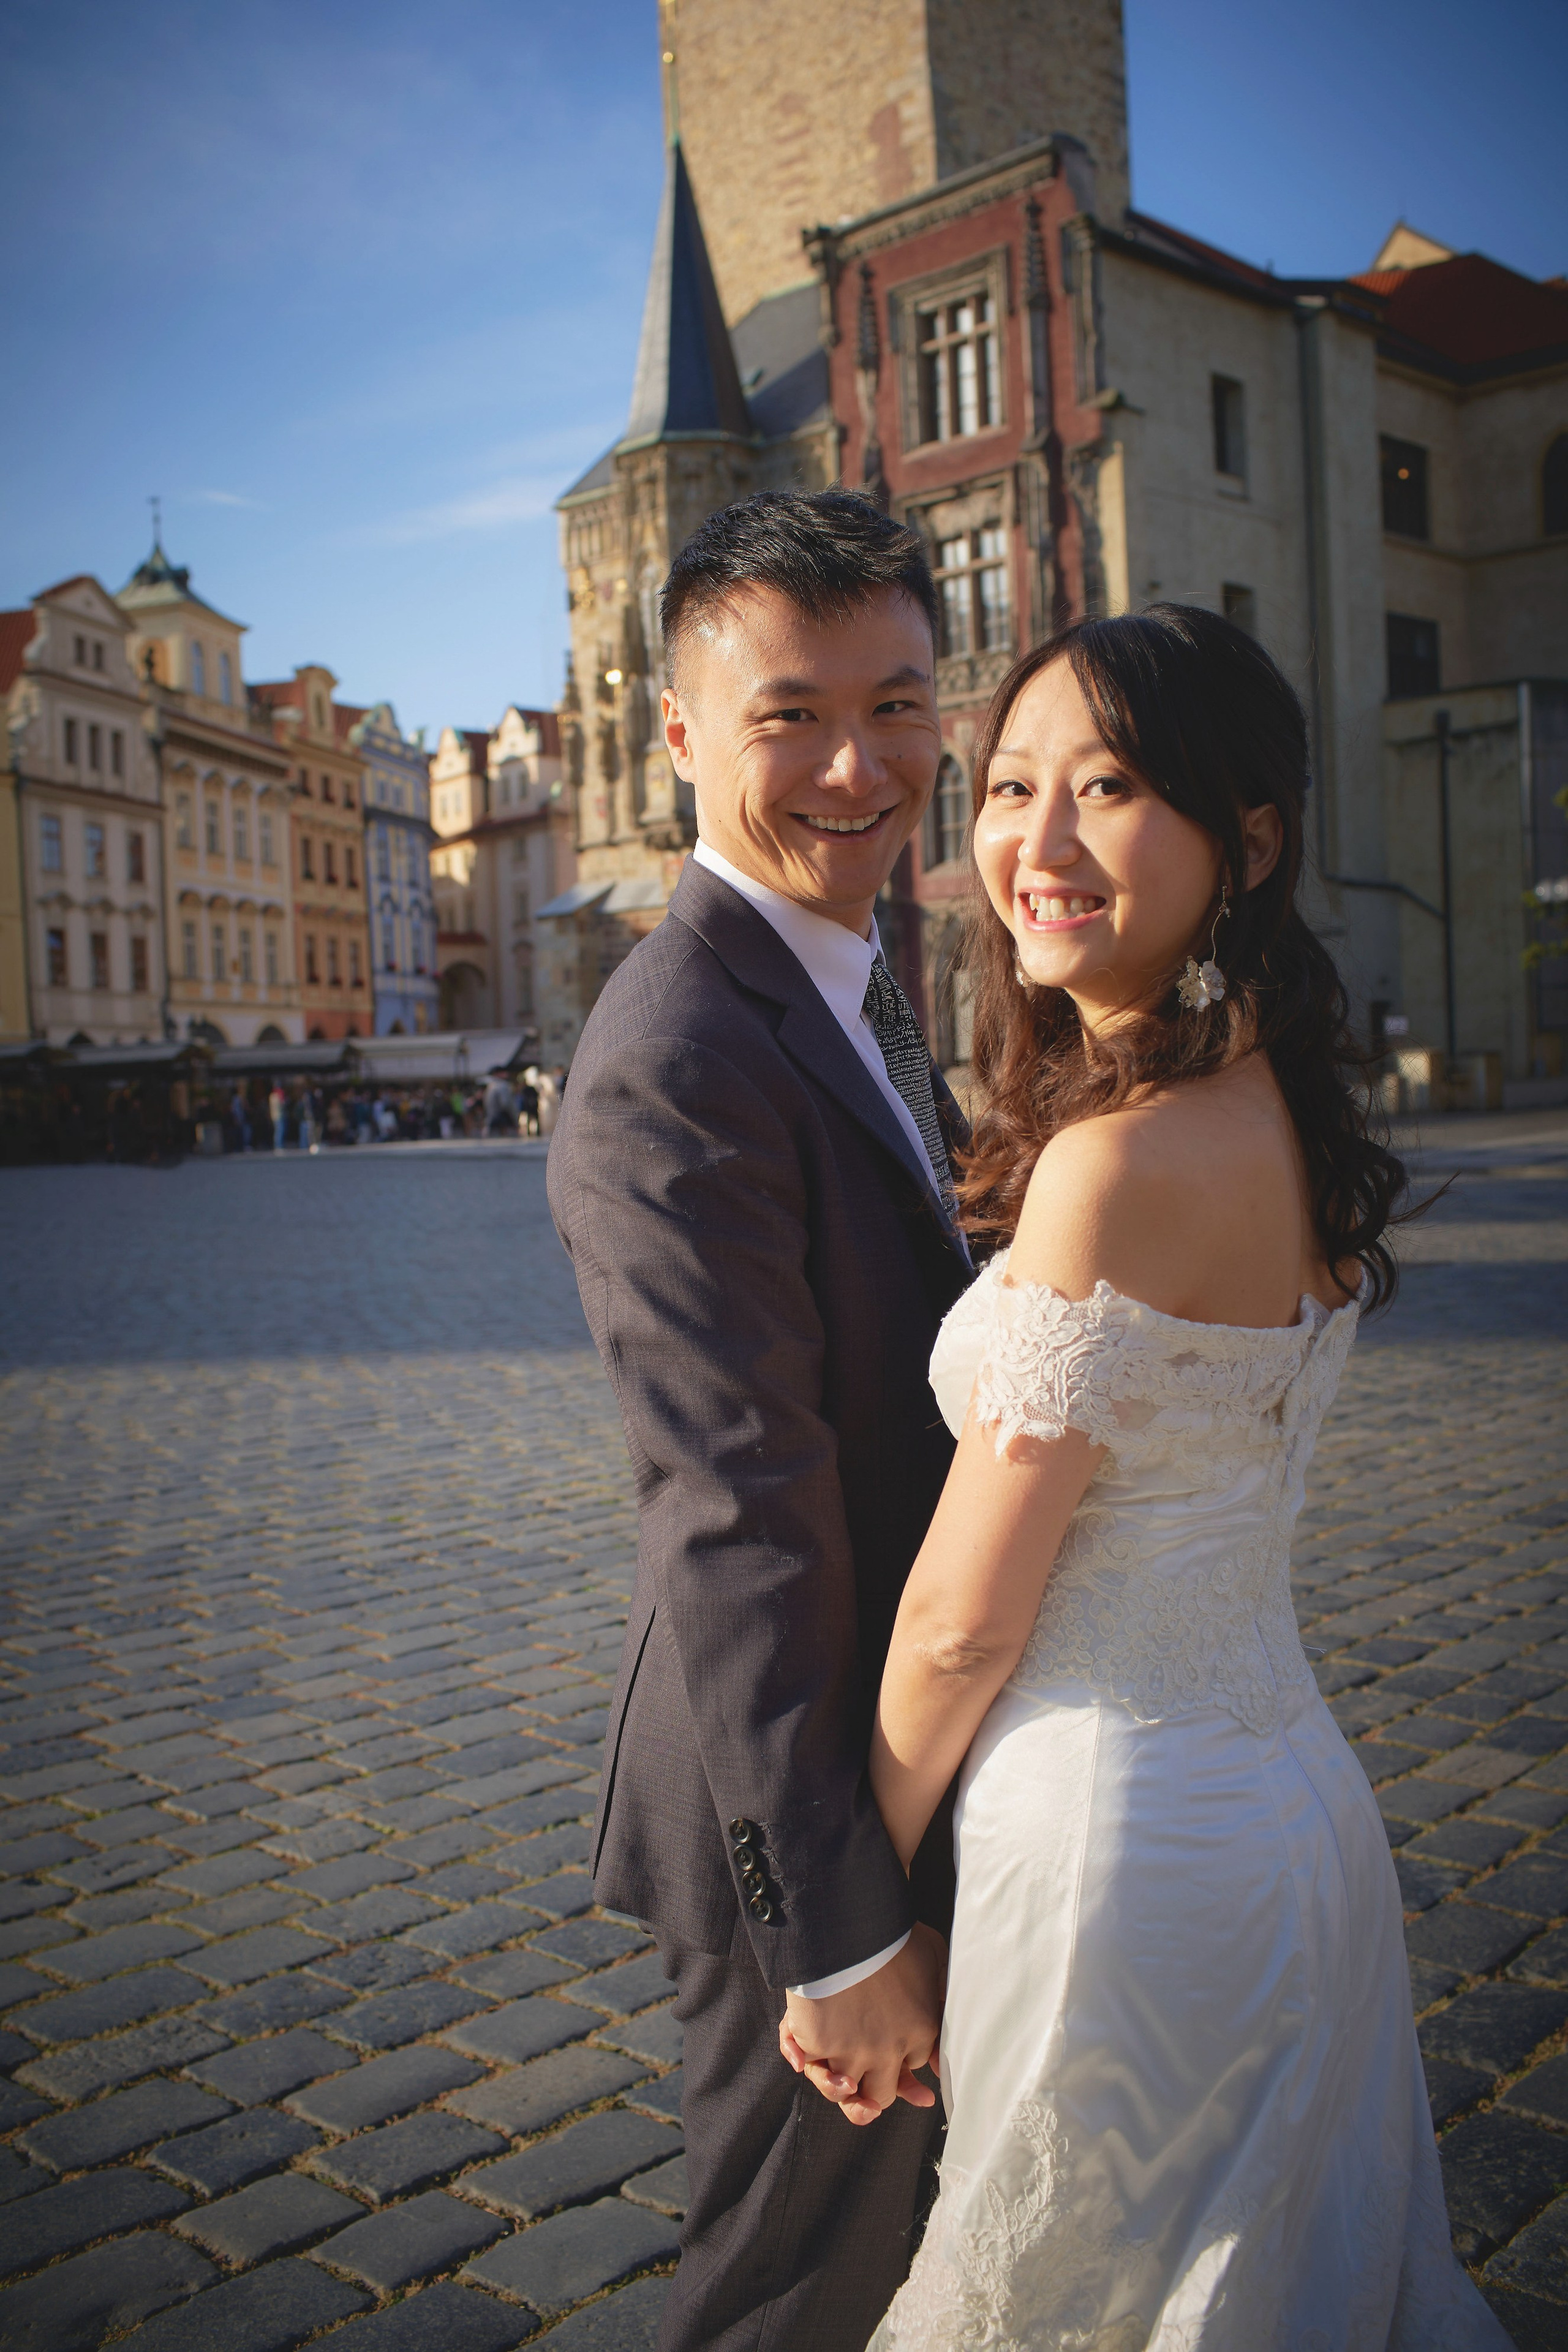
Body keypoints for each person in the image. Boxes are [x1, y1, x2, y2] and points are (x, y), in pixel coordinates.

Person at [840, 608, 1509, 2349]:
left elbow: (961, 1621)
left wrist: (850, 1904)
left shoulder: (1113, 1167)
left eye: (1111, 787)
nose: (1035, 845)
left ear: (1250, 839)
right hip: (1292, 1818)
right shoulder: (1276, 1102)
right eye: (1007, 790)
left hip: (1113, 1856)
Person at [548, 491, 973, 2352]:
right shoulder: (677, 1051)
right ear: (679, 740)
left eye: (898, 703)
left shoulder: (860, 967)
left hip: (921, 1756)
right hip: (806, 1818)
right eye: (790, 712)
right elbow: (734, 1514)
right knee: (796, 2297)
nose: (857, 764)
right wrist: (845, 1931)